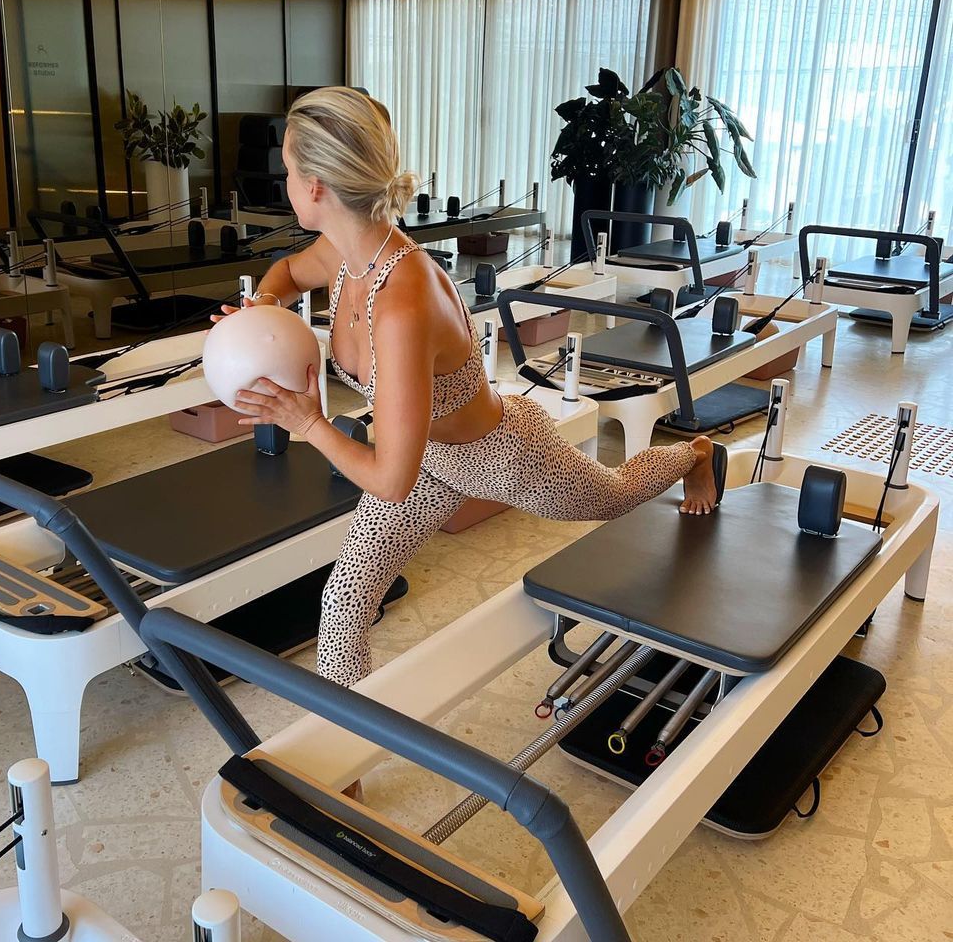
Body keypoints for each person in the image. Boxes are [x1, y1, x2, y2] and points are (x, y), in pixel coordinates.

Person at [215, 87, 720, 690]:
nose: (286, 184)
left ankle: (694, 455)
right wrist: (262, 310)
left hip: (498, 454)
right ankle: (343, 743)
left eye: (288, 172)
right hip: (424, 456)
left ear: (318, 186)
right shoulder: (343, 253)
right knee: (345, 599)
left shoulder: (403, 302)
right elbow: (286, 273)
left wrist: (307, 423)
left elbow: (388, 480)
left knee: (610, 497)